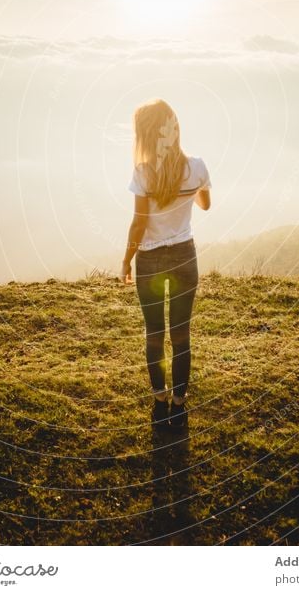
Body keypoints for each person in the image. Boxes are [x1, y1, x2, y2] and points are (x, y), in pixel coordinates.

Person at [120, 98, 212, 430]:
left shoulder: (143, 173)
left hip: (152, 259)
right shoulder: (197, 166)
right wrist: (189, 189)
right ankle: (179, 401)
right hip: (185, 255)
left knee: (155, 334)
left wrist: (126, 260)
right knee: (181, 333)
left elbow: (139, 225)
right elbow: (205, 205)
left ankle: (160, 399)